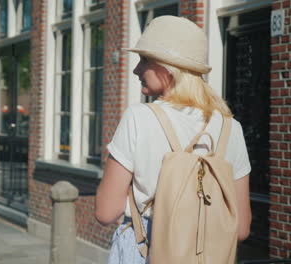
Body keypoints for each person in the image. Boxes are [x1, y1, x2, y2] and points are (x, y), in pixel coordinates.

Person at [95, 15, 252, 263]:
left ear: (167, 69)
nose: (136, 69)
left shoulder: (139, 117)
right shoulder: (231, 128)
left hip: (145, 246)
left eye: (144, 60)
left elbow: (106, 211)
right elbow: (241, 227)